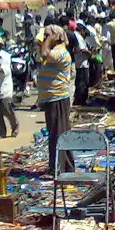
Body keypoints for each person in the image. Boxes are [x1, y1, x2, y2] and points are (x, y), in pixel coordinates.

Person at [37, 26, 75, 174]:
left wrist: (50, 39)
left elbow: (45, 52)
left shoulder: (59, 52)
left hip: (57, 98)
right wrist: (46, 39)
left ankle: (63, 167)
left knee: (60, 133)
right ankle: (57, 166)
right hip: (52, 98)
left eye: (48, 36)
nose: (45, 38)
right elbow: (38, 44)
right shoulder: (55, 50)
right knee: (55, 134)